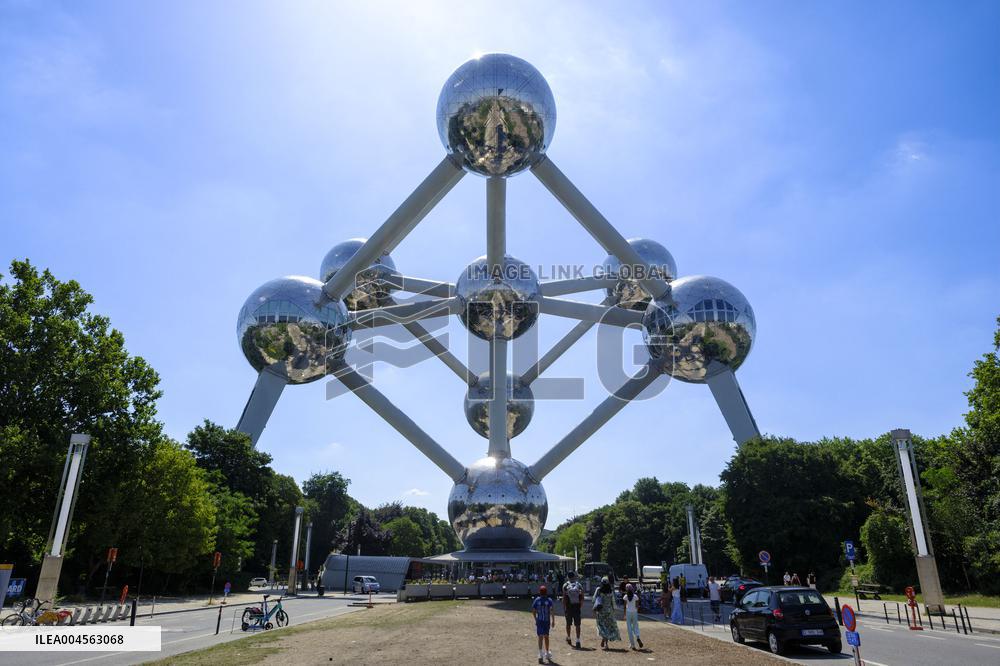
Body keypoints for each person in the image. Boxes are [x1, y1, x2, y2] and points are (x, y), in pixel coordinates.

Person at [593, 576, 621, 649]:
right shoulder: (610, 591)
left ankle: (604, 639)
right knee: (608, 626)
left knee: (602, 626)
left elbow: (593, 600)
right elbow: (613, 602)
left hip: (601, 611)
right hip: (609, 611)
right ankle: (606, 642)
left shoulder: (598, 590)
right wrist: (614, 610)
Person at [532, 584, 555, 664]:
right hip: (546, 621)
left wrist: (536, 619)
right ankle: (547, 652)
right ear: (546, 592)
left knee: (540, 637)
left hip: (540, 621)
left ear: (539, 592)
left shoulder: (536, 600)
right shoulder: (549, 600)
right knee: (546, 637)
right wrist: (553, 620)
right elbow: (551, 611)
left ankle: (540, 654)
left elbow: (534, 611)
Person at [562, 571, 584, 648]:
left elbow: (564, 598)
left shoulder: (565, 585)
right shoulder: (579, 585)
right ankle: (578, 640)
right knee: (577, 624)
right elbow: (582, 598)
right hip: (577, 607)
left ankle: (569, 637)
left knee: (568, 624)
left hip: (569, 607)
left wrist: (564, 607)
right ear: (574, 576)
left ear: (568, 577)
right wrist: (580, 606)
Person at [623, 583, 644, 650]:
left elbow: (624, 606)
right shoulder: (635, 596)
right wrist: (636, 610)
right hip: (634, 612)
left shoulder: (626, 596)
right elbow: (637, 605)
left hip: (628, 612)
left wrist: (624, 614)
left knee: (629, 628)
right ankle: (637, 637)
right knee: (635, 625)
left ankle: (632, 644)